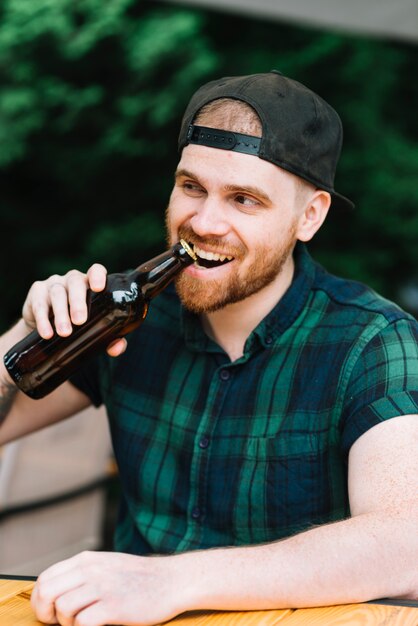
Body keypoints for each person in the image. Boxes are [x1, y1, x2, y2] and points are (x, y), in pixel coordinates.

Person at [0, 70, 417, 626]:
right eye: (192, 187)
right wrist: (19, 339)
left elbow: (403, 543)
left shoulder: (372, 340)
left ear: (309, 216)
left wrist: (170, 581)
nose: (204, 222)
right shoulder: (128, 315)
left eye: (244, 199)